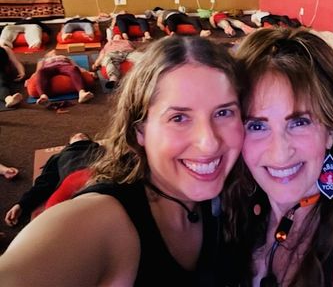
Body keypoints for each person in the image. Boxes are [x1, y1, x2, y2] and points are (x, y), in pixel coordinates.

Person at [0, 35, 245, 286]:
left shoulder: (238, 193)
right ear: (139, 131)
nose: (209, 143)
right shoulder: (99, 220)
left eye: (224, 112)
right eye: (179, 118)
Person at [231, 27, 333, 286]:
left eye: (299, 122)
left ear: (330, 131)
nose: (280, 152)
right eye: (257, 126)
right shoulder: (236, 208)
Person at [4, 133, 101, 227]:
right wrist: (22, 205)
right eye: (75, 136)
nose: (79, 135)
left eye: (83, 136)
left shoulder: (101, 150)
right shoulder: (58, 157)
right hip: (73, 188)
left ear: (90, 140)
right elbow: (45, 182)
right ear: (69, 143)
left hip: (97, 181)